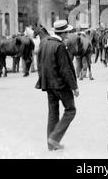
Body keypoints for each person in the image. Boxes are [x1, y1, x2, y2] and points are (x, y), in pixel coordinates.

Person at [37, 20, 79, 151]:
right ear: (63, 32)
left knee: (53, 113)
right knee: (71, 110)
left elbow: (40, 64)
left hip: (48, 84)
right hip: (60, 85)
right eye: (67, 32)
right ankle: (55, 138)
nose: (67, 35)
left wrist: (43, 81)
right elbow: (65, 69)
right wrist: (74, 86)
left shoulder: (44, 43)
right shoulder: (59, 46)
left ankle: (51, 144)